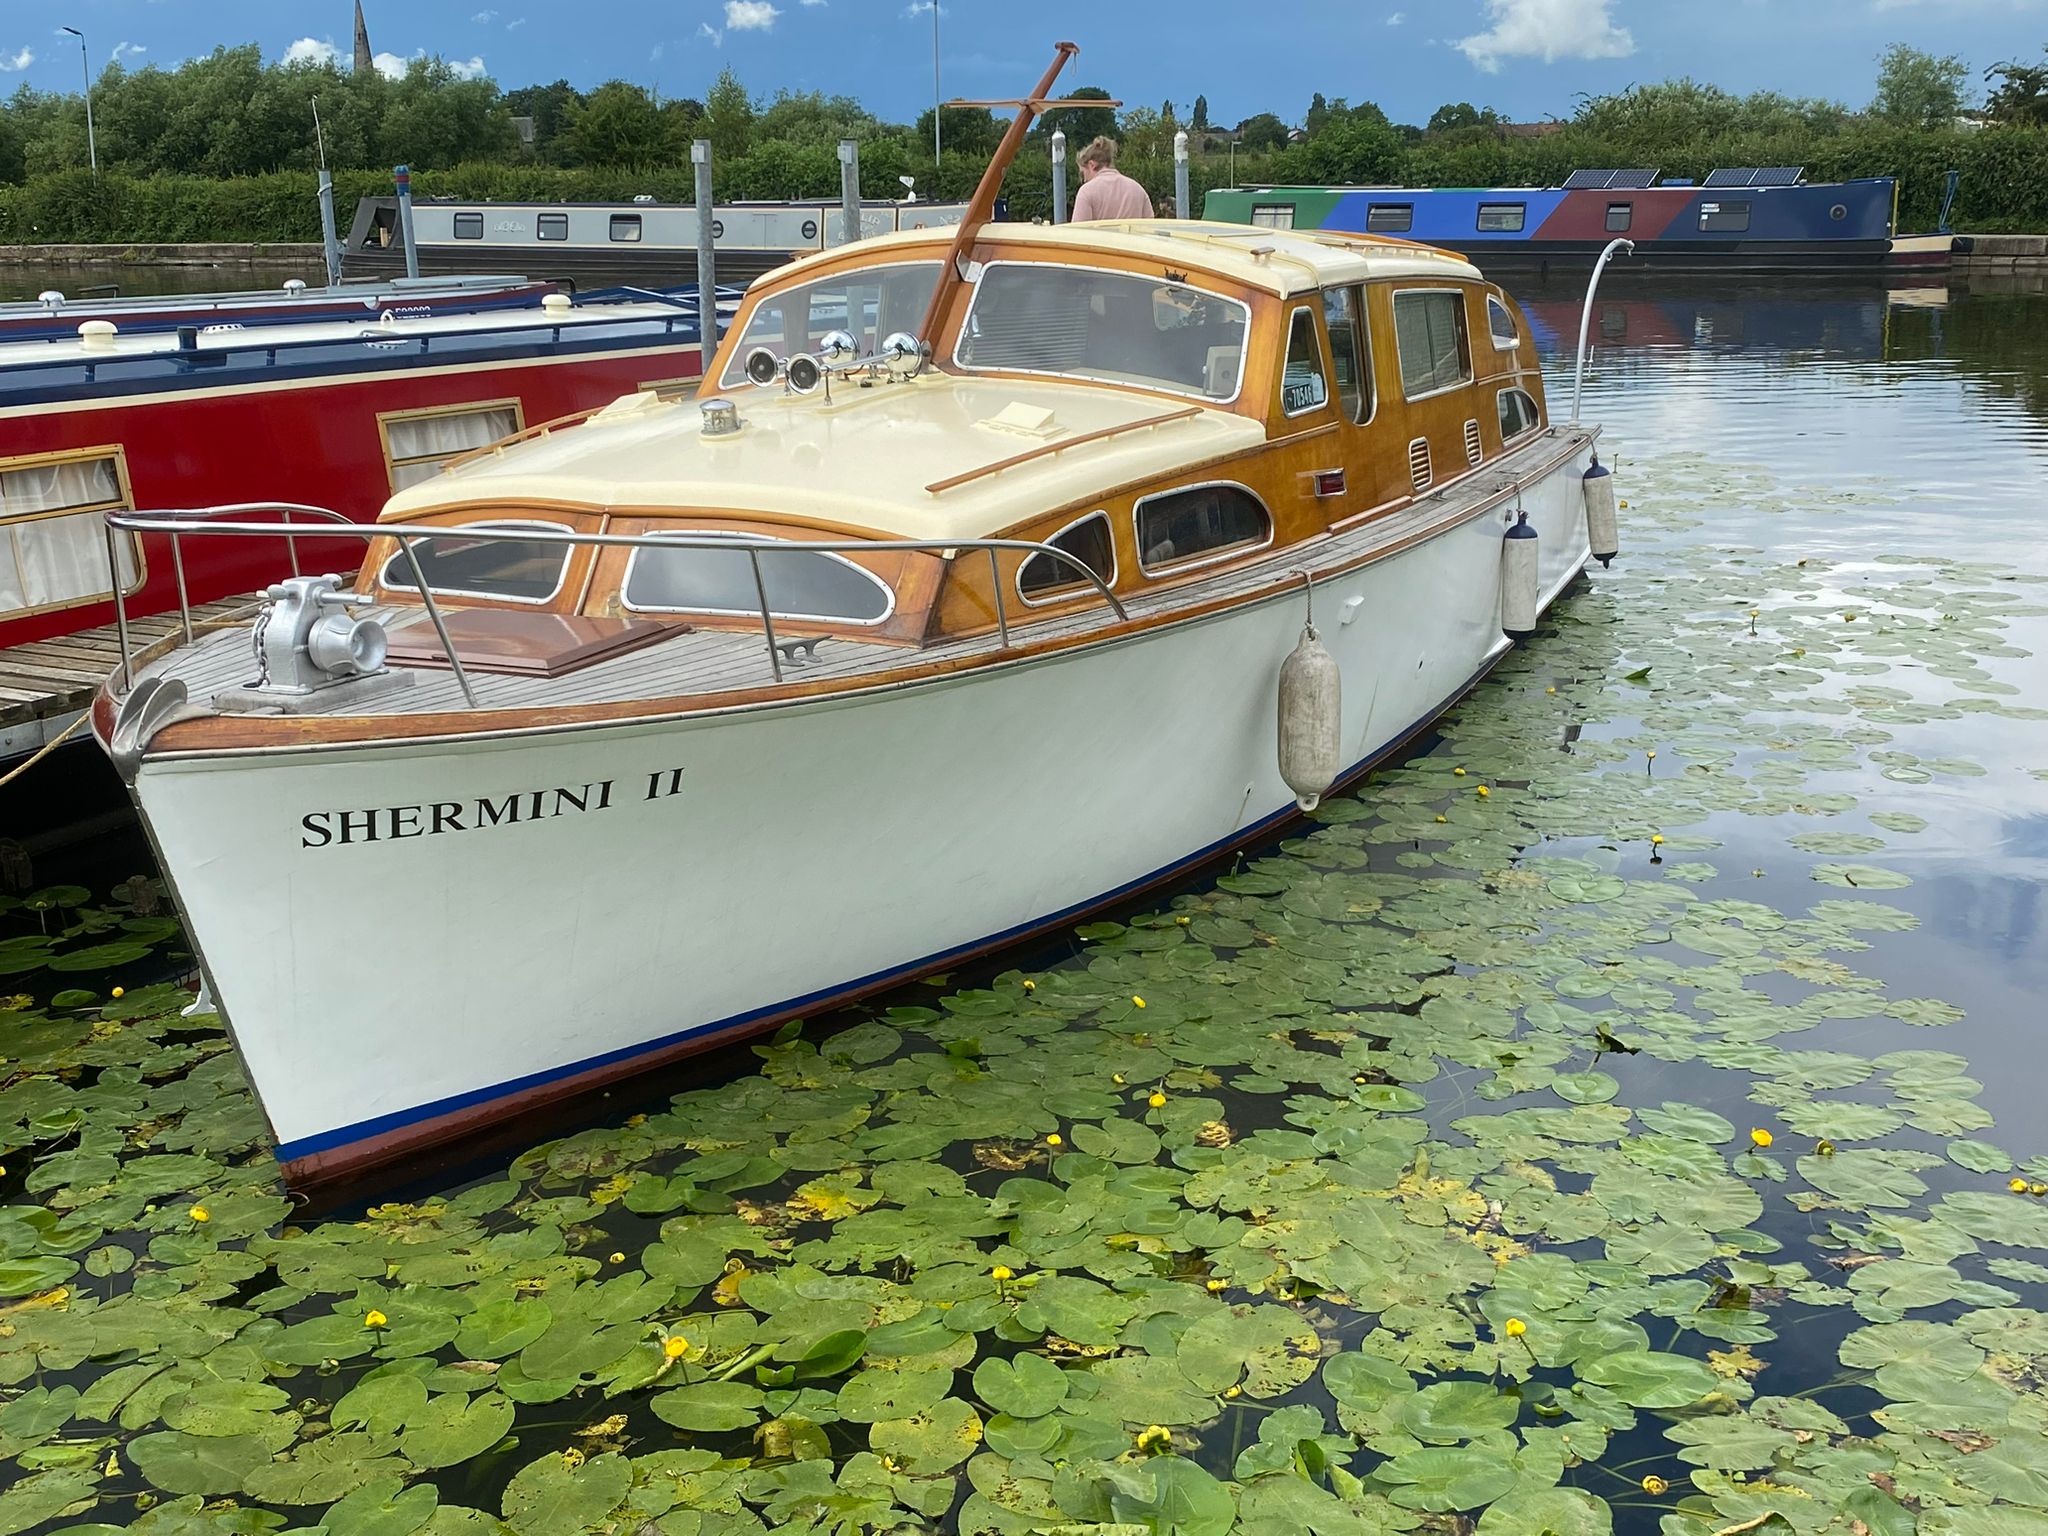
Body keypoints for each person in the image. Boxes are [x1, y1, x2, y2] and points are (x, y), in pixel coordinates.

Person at [1071, 136, 1155, 221]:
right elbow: (1151, 227)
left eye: (1083, 173)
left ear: (1091, 165)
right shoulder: (1138, 190)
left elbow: (1077, 232)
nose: (1084, 179)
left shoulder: (1086, 192)